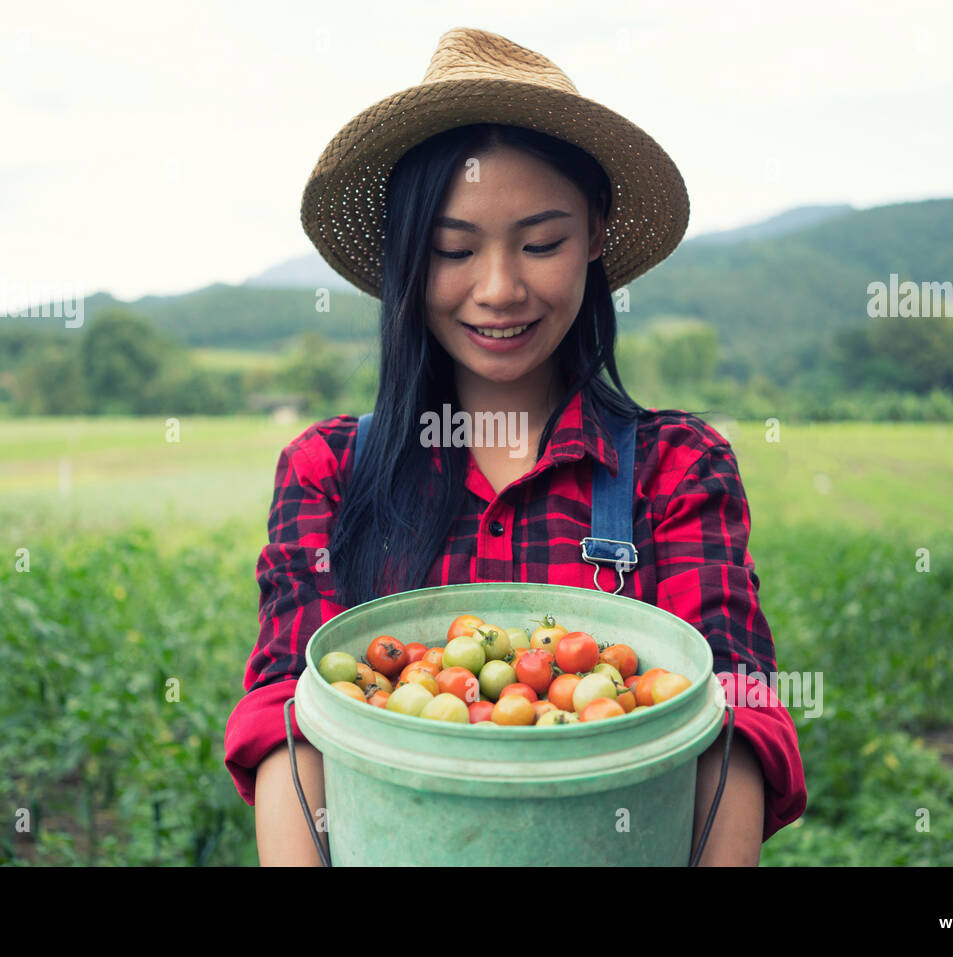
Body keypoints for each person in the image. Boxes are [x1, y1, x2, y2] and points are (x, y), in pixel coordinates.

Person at [225, 27, 806, 865]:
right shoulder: (328, 474)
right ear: (403, 257)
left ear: (598, 234)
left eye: (541, 243)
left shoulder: (676, 469)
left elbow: (735, 711)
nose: (499, 288)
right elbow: (289, 714)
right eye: (452, 250)